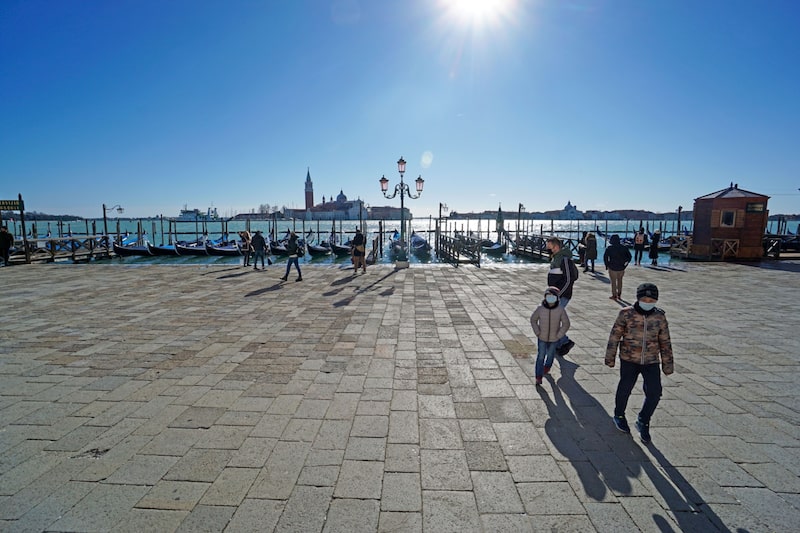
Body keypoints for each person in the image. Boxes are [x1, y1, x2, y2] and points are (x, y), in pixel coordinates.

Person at [605, 283, 673, 443]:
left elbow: (665, 341)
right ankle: (619, 415)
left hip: (651, 360)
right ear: (638, 298)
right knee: (625, 388)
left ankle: (643, 420)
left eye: (651, 300)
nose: (647, 302)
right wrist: (610, 357)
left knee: (655, 392)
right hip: (629, 358)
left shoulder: (659, 316)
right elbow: (615, 336)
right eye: (644, 299)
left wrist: (667, 364)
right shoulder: (626, 314)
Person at [530, 287, 570, 385]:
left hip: (554, 338)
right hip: (542, 337)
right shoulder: (540, 309)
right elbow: (533, 319)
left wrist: (559, 335)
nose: (550, 299)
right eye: (548, 296)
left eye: (553, 297)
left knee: (551, 354)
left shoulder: (560, 310)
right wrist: (537, 331)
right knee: (540, 356)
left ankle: (547, 366)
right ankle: (538, 376)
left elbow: (566, 323)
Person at [545, 237, 577, 356]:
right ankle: (559, 344)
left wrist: (558, 294)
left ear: (556, 247)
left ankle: (565, 342)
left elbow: (569, 279)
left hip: (562, 295)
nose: (548, 249)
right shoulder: (555, 259)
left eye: (549, 247)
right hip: (554, 294)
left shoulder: (564, 260)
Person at [603, 234, 632, 300]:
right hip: (621, 267)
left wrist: (607, 265)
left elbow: (605, 257)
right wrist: (625, 264)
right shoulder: (624, 247)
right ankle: (619, 294)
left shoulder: (609, 248)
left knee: (613, 282)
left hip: (612, 266)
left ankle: (614, 295)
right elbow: (629, 257)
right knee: (620, 281)